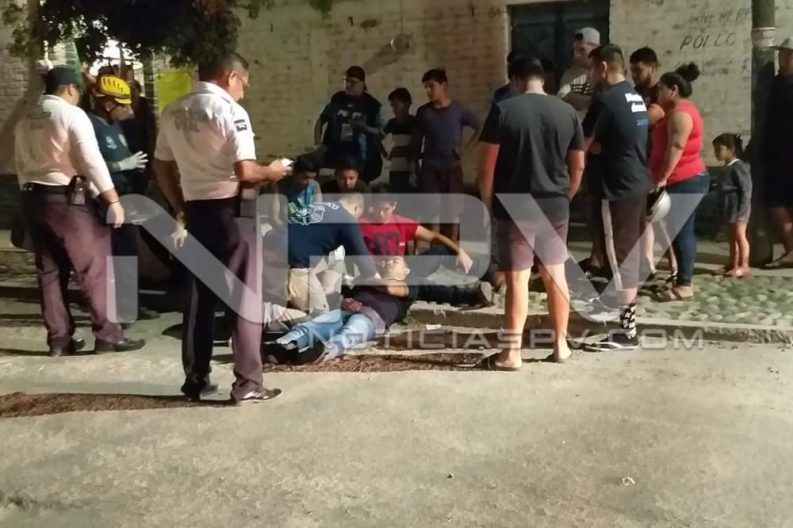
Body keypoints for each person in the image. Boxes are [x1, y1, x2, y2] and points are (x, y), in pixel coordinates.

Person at [153, 52, 290, 404]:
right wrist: (272, 171)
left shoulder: (172, 110)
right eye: (244, 83)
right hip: (232, 212)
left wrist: (179, 206)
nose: (244, 91)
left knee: (199, 297)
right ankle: (247, 382)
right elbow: (246, 171)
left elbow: (161, 166)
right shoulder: (231, 111)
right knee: (244, 297)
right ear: (230, 76)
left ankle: (195, 379)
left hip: (196, 211)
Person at [14, 67, 145, 356]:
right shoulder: (71, 115)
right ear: (70, 89)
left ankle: (59, 341)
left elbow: (19, 161)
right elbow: (90, 159)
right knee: (94, 268)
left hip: (33, 198)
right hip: (68, 199)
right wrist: (112, 199)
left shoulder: (26, 118)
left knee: (50, 271)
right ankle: (108, 336)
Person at [477, 56, 585, 369]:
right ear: (543, 79)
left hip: (515, 204)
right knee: (556, 274)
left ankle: (512, 353)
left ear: (514, 80)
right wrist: (566, 196)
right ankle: (561, 345)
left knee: (518, 278)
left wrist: (488, 202)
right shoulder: (568, 112)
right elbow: (578, 166)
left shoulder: (503, 111)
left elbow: (486, 168)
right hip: (555, 204)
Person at [583, 45, 650, 351]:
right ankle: (622, 318)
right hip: (635, 183)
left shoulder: (606, 101)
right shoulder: (634, 97)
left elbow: (582, 144)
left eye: (592, 69)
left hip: (614, 188)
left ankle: (627, 331)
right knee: (626, 254)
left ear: (603, 68)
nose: (590, 75)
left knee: (618, 256)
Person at [87, 75, 159, 323]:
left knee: (127, 252)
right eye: (124, 105)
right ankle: (120, 309)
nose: (129, 111)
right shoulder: (89, 126)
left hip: (124, 196)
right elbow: (88, 164)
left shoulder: (113, 124)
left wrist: (132, 167)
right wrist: (121, 165)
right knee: (115, 254)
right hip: (103, 201)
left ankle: (130, 305)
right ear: (108, 103)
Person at [265, 256, 418, 364]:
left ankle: (323, 352)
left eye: (395, 261)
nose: (388, 262)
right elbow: (347, 297)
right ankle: (280, 346)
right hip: (345, 312)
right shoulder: (365, 282)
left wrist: (370, 278)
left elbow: (390, 288)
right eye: (387, 260)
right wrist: (345, 302)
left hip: (372, 318)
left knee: (348, 334)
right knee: (311, 327)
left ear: (406, 271)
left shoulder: (410, 285)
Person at [360, 184, 493, 307]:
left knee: (441, 250)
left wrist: (459, 251)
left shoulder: (401, 223)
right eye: (377, 209)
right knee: (425, 285)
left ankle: (487, 273)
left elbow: (433, 236)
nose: (381, 214)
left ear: (394, 206)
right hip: (383, 277)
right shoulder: (362, 225)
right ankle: (471, 296)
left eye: (385, 209)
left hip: (404, 268)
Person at [650, 63, 710, 302]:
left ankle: (685, 284)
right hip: (682, 179)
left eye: (661, 89)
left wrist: (662, 178)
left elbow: (676, 147)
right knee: (677, 230)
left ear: (672, 90)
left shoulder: (681, 113)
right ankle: (681, 278)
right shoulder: (676, 111)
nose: (657, 94)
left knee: (682, 230)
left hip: (685, 179)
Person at [264, 194, 379, 315]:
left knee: (335, 258)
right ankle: (270, 312)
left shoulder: (317, 206)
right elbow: (366, 266)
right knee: (321, 317)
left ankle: (325, 296)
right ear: (357, 208)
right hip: (292, 268)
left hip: (266, 257)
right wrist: (383, 284)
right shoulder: (348, 220)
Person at [412, 69, 483, 242]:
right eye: (426, 87)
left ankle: (453, 247)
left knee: (454, 210)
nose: (428, 91)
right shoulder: (423, 112)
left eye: (431, 86)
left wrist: (466, 149)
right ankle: (436, 245)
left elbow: (480, 127)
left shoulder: (458, 109)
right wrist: (415, 166)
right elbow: (416, 141)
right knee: (433, 210)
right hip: (430, 169)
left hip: (452, 167)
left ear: (444, 86)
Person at [629, 46, 677, 279]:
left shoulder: (661, 91)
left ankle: (674, 262)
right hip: (641, 157)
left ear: (653, 68)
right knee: (648, 215)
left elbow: (650, 118)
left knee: (659, 216)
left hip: (657, 158)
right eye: (632, 70)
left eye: (638, 70)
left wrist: (632, 123)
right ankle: (648, 263)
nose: (634, 75)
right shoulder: (634, 92)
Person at [314, 66, 384, 183]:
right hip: (336, 155)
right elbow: (321, 120)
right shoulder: (337, 99)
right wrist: (318, 145)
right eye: (346, 81)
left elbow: (381, 133)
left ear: (362, 83)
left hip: (360, 159)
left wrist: (363, 127)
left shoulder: (372, 105)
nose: (348, 85)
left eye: (353, 82)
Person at [762, 38, 793, 269]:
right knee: (775, 200)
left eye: (786, 55)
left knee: (775, 201)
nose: (782, 59)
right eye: (782, 55)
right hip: (777, 152)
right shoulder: (776, 82)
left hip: (785, 152)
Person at [713, 133, 752, 278]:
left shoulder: (739, 167)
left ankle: (744, 265)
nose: (717, 153)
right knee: (731, 237)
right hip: (728, 208)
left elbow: (746, 189)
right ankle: (732, 263)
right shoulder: (726, 168)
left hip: (738, 208)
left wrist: (742, 210)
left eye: (720, 149)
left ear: (731, 149)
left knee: (740, 235)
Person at [120, 80, 158, 195]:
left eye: (133, 90)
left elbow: (151, 132)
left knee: (141, 185)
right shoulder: (120, 107)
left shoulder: (144, 106)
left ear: (139, 91)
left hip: (142, 151)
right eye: (128, 90)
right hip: (124, 152)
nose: (131, 93)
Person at [558, 27, 600, 119]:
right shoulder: (569, 74)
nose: (576, 55)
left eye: (582, 50)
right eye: (575, 50)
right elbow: (561, 101)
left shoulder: (603, 74)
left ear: (595, 49)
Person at [271, 155, 323, 226]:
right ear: (295, 173)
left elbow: (319, 213)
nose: (309, 182)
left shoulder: (315, 186)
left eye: (312, 178)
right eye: (305, 177)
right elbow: (274, 218)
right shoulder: (280, 187)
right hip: (285, 228)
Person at [382, 88, 416, 194]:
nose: (394, 109)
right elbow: (377, 138)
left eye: (396, 105)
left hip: (411, 170)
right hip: (395, 169)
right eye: (392, 106)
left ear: (407, 104)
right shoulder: (392, 123)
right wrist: (385, 154)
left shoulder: (414, 122)